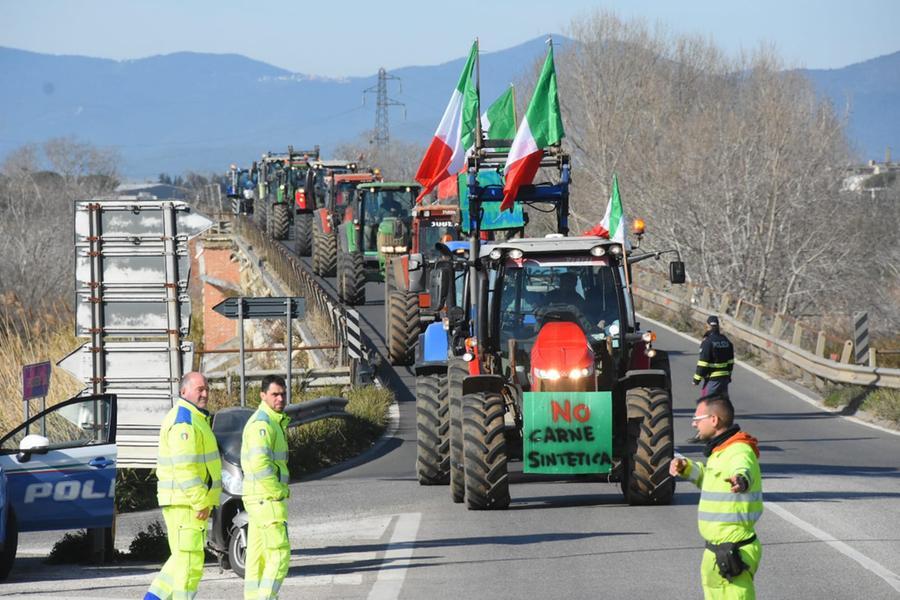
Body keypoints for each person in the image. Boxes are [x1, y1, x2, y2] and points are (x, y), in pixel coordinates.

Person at [670, 394, 763, 600]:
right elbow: (711, 480)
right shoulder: (720, 452)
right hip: (715, 551)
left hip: (734, 551)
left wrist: (741, 480)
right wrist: (687, 468)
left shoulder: (739, 449)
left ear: (714, 420)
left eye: (697, 419)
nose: (694, 424)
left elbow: (743, 467)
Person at [145, 372, 221, 600]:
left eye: (206, 389)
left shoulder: (194, 417)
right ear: (184, 391)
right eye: (200, 389)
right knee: (189, 566)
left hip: (186, 503)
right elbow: (185, 468)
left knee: (180, 560)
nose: (205, 393)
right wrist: (200, 500)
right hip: (186, 503)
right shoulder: (184, 421)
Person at [241, 375, 292, 600]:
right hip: (267, 498)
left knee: (257, 560)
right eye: (274, 394)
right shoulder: (263, 423)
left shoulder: (271, 420)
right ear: (263, 396)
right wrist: (277, 491)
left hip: (257, 498)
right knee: (280, 555)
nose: (280, 398)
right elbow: (260, 464)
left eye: (282, 393)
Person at [693, 315, 735, 396]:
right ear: (718, 326)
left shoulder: (707, 342)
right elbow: (731, 361)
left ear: (707, 326)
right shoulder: (726, 340)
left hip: (712, 380)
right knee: (725, 405)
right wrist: (728, 375)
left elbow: (703, 364)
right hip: (724, 380)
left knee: (704, 405)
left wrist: (696, 380)